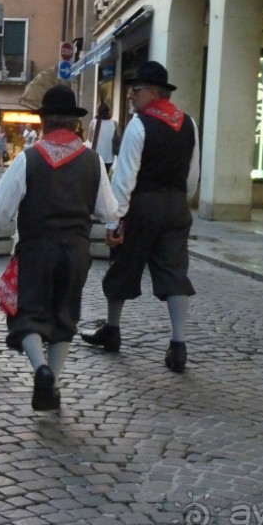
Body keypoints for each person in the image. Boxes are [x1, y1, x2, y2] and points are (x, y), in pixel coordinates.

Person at [0, 85, 119, 411]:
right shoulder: (93, 162)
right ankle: (51, 383)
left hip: (38, 251)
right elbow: (110, 210)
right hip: (77, 253)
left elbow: (0, 209)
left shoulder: (30, 159)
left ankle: (41, 370)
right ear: (74, 124)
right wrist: (111, 229)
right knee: (64, 317)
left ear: (45, 123)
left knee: (27, 316)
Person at [80, 61, 201, 373]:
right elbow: (192, 176)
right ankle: (178, 344)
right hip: (176, 206)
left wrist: (114, 219)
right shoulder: (189, 123)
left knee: (123, 265)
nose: (131, 95)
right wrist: (179, 201)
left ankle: (112, 329)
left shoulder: (140, 124)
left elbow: (125, 177)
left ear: (153, 92)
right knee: (175, 272)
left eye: (136, 89)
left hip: (143, 205)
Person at [87, 102, 119, 172]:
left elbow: (89, 139)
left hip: (95, 156)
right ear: (108, 111)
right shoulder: (114, 123)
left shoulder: (93, 122)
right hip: (109, 158)